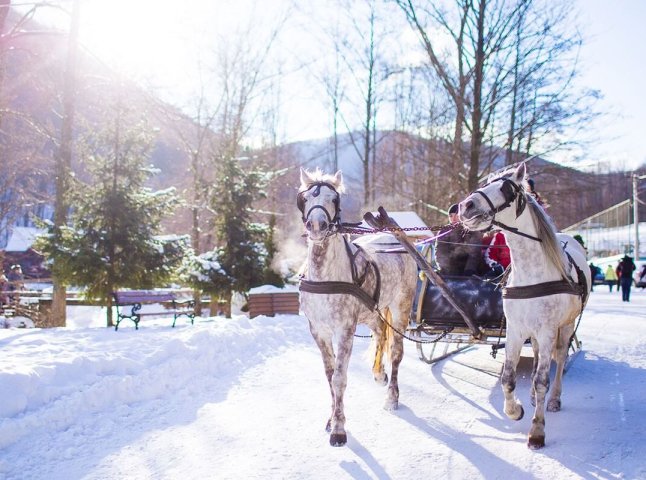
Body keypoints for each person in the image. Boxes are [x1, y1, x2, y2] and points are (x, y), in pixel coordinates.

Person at [435, 204, 485, 276]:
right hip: (450, 268)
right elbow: (440, 252)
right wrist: (445, 269)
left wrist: (469, 270)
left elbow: (475, 252)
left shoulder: (472, 230)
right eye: (451, 216)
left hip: (471, 269)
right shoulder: (444, 231)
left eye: (456, 215)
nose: (453, 218)